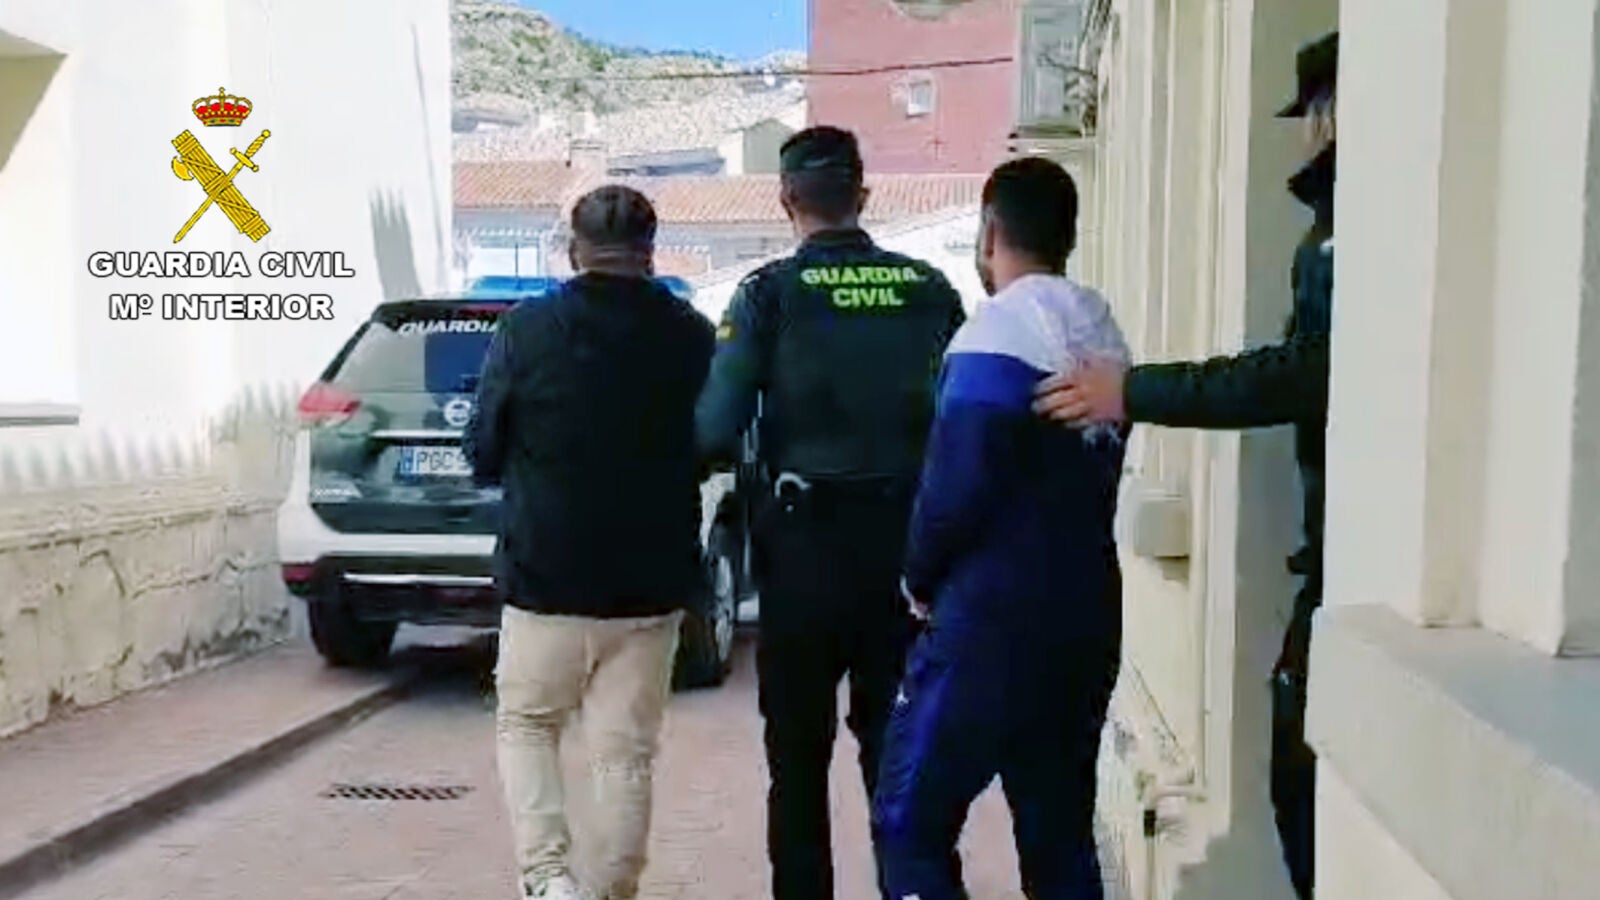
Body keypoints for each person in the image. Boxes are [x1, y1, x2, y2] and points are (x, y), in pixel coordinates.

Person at [1032, 31, 1338, 900]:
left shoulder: (1350, 229)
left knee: (1301, 780)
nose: (1306, 136)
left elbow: (1302, 372)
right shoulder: (1335, 222)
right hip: (1332, 558)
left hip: (1352, 567)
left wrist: (1133, 391)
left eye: (1312, 117)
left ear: (1331, 113)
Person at [695, 125, 967, 900]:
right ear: (863, 196)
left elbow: (714, 429)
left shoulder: (766, 295)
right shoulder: (928, 290)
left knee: (798, 761)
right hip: (906, 559)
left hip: (802, 555)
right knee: (897, 756)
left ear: (787, 200)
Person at [871, 156, 1130, 900]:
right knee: (1058, 832)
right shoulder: (1103, 337)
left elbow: (954, 486)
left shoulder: (996, 334)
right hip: (1085, 612)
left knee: (909, 823)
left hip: (989, 619)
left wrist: (918, 577)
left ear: (989, 234)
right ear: (1069, 235)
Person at [464, 185, 716, 900]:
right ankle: (612, 889)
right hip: (652, 582)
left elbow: (483, 448)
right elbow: (716, 443)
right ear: (650, 251)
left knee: (528, 725)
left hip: (545, 575)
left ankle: (549, 879)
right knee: (625, 754)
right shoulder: (691, 334)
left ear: (575, 250)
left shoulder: (527, 330)